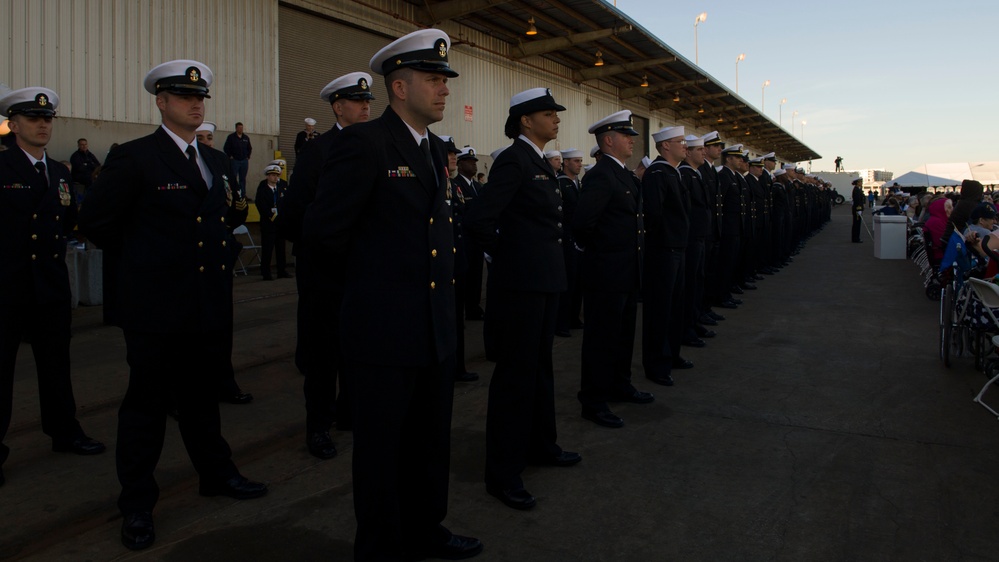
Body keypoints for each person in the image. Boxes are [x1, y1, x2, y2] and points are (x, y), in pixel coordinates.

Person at [302, 29, 482, 561]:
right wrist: (368, 295)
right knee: (381, 453)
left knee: (430, 442)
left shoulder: (433, 150)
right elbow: (321, 235)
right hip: (382, 332)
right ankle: (380, 547)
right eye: (434, 80)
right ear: (399, 87)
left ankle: (426, 527)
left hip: (433, 326)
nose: (445, 89)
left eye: (445, 80)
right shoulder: (365, 144)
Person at [79, 59, 267, 551]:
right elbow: (96, 221)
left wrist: (224, 253)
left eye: (200, 96)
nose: (195, 103)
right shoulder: (135, 156)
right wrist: (144, 263)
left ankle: (216, 473)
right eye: (184, 96)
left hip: (206, 305)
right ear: (161, 103)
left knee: (202, 398)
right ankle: (137, 504)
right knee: (146, 407)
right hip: (156, 310)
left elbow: (224, 218)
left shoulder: (218, 162)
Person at [463, 87, 581, 511]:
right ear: (526, 120)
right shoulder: (515, 160)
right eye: (549, 114)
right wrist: (507, 260)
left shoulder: (538, 163)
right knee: (515, 378)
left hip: (546, 283)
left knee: (541, 370)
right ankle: (503, 473)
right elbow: (479, 219)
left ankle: (541, 445)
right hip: (522, 287)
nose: (557, 120)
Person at [0, 87, 106, 490]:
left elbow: (68, 221)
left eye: (47, 119)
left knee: (56, 366)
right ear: (14, 125)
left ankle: (64, 432)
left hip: (49, 286)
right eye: (33, 119)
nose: (43, 125)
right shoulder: (3, 167)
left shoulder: (60, 173)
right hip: (7, 286)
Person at [284, 71, 374, 460]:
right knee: (322, 357)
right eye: (358, 102)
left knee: (357, 348)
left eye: (368, 101)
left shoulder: (376, 146)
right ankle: (318, 427)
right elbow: (291, 216)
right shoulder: (317, 153)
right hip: (324, 272)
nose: (366, 107)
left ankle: (350, 414)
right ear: (338, 107)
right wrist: (325, 246)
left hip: (363, 272)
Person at [573, 110, 654, 429]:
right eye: (626, 136)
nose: (632, 141)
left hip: (626, 272)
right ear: (608, 140)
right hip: (606, 274)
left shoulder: (624, 175)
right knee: (601, 339)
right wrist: (602, 255)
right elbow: (582, 225)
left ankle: (620, 384)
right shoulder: (601, 175)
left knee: (622, 335)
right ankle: (593, 400)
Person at [642, 125, 690, 387]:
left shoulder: (672, 173)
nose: (685, 145)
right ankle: (656, 363)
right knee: (659, 310)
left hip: (677, 248)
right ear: (665, 146)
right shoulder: (658, 173)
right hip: (663, 250)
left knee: (675, 307)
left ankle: (671, 354)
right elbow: (654, 214)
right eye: (679, 141)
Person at [440, 137, 479, 383]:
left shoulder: (453, 187)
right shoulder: (439, 183)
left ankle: (458, 367)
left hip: (458, 259)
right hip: (443, 263)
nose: (454, 156)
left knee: (456, 318)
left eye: (455, 153)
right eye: (449, 153)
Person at [555, 148, 585, 336]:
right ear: (565, 162)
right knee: (567, 282)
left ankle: (574, 317)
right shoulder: (561, 183)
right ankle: (562, 322)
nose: (579, 164)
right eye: (575, 161)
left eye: (580, 161)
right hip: (566, 239)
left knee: (578, 282)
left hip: (579, 239)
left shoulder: (578, 184)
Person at [454, 147, 486, 321]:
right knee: (463, 276)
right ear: (460, 165)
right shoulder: (457, 185)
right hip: (464, 239)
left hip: (476, 240)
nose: (474, 165)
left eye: (475, 162)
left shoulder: (478, 187)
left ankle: (473, 307)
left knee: (476, 275)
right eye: (469, 162)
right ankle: (463, 309)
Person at [255, 164, 291, 280]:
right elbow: (261, 204)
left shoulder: (281, 187)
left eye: (276, 175)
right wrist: (270, 216)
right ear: (268, 176)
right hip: (268, 224)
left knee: (281, 249)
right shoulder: (263, 188)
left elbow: (285, 202)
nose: (275, 178)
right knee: (268, 249)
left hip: (280, 224)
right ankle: (266, 272)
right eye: (272, 175)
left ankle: (282, 270)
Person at [223, 121, 251, 194]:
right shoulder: (231, 137)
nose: (241, 129)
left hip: (244, 161)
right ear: (236, 128)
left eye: (242, 128)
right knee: (233, 177)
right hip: (235, 161)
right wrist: (230, 156)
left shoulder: (246, 138)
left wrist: (248, 156)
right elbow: (226, 148)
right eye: (239, 128)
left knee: (242, 178)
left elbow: (249, 148)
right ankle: (233, 193)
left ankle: (242, 194)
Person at [851, 178, 864, 243]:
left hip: (857, 209)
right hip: (857, 209)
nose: (861, 183)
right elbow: (857, 200)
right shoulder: (856, 190)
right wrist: (859, 209)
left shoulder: (858, 189)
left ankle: (856, 237)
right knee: (856, 224)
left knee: (857, 224)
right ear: (857, 183)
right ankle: (855, 238)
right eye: (860, 182)